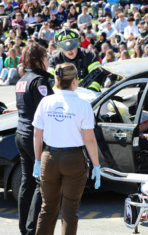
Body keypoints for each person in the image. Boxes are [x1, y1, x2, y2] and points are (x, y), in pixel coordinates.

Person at [32, 62, 100, 235]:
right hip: (74, 159)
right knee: (70, 211)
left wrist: (38, 160)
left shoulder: (46, 102)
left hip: (49, 157)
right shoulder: (83, 105)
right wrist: (96, 165)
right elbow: (89, 139)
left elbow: (37, 135)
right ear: (75, 81)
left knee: (47, 208)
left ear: (56, 80)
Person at [15, 43, 54, 235]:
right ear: (39, 60)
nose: (48, 61)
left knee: (27, 182)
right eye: (46, 58)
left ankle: (24, 228)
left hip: (21, 134)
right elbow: (48, 110)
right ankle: (32, 230)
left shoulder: (22, 80)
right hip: (35, 137)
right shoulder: (40, 81)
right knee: (41, 183)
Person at [49, 28, 104, 92]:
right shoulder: (55, 60)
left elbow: (98, 74)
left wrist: (91, 90)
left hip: (89, 94)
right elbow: (50, 80)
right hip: (65, 96)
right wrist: (61, 93)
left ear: (77, 43)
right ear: (60, 47)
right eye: (65, 46)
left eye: (72, 44)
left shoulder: (88, 55)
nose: (69, 50)